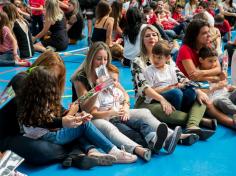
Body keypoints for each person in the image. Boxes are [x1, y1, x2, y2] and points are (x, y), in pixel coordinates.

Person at [0, 51, 133, 169]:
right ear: (41, 70)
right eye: (51, 75)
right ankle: (80, 152)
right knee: (43, 151)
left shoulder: (44, 85)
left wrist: (69, 115)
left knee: (73, 129)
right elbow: (34, 118)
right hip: (10, 135)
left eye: (56, 77)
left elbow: (54, 108)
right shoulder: (22, 81)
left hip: (34, 132)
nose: (52, 81)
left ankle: (86, 153)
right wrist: (64, 120)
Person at [131, 25, 216, 140]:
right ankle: (198, 121)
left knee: (200, 96)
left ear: (158, 37)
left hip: (172, 93)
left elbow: (181, 77)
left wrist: (197, 91)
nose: (151, 37)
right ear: (142, 40)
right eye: (147, 36)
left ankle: (192, 126)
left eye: (154, 34)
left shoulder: (167, 58)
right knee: (165, 108)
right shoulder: (137, 61)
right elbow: (145, 88)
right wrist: (162, 99)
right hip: (148, 99)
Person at [90, 64, 184, 159]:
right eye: (110, 80)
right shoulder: (99, 95)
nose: (113, 83)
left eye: (115, 80)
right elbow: (93, 113)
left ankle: (155, 139)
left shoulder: (116, 91)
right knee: (130, 133)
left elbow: (125, 98)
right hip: (112, 120)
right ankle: (151, 146)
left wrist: (125, 110)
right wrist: (109, 113)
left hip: (123, 116)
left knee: (141, 124)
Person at [176, 19, 236, 129]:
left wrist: (202, 73)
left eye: (208, 31)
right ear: (194, 35)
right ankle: (232, 123)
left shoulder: (207, 46)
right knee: (206, 102)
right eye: (204, 33)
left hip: (206, 84)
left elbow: (218, 68)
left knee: (230, 91)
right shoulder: (185, 49)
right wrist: (215, 79)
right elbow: (193, 76)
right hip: (191, 88)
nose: (209, 35)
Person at [198, 47, 236, 122]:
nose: (214, 64)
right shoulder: (198, 73)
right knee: (221, 100)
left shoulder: (215, 69)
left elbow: (224, 84)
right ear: (201, 60)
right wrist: (217, 86)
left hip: (226, 94)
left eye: (215, 60)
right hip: (216, 100)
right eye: (210, 61)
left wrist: (228, 86)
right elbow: (202, 92)